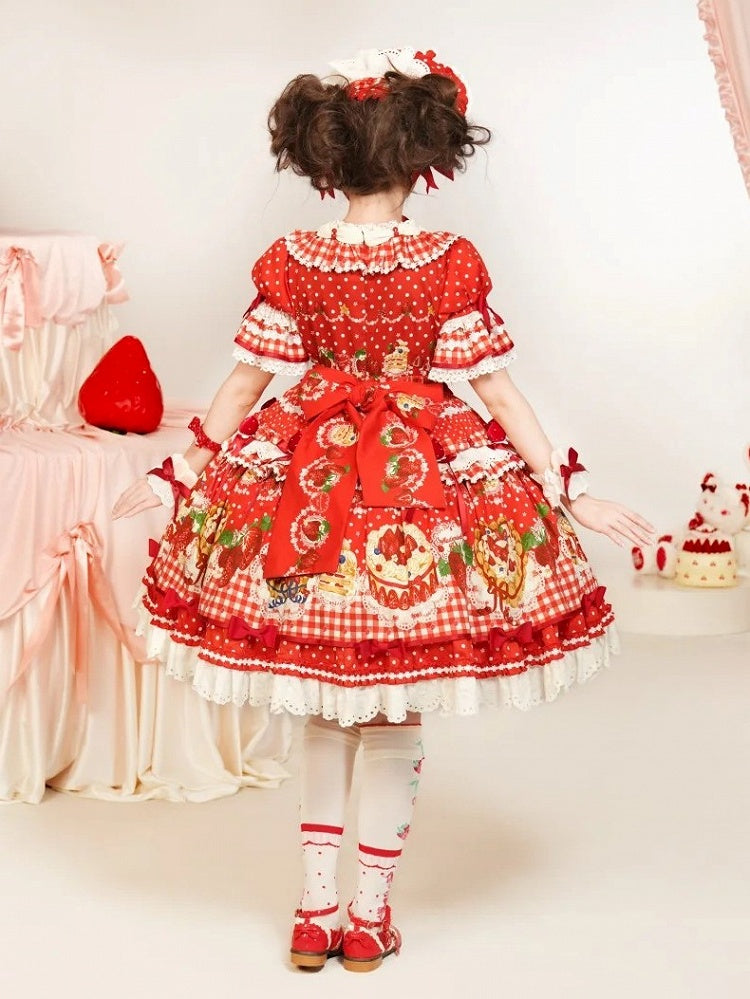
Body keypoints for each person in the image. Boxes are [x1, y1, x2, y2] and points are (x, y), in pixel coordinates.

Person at [112, 46, 655, 974]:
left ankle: (313, 913)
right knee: (392, 709)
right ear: (420, 155)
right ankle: (368, 917)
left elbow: (244, 385)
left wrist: (182, 472)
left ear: (327, 156)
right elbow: (496, 391)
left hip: (306, 482)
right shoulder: (446, 261)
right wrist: (569, 490)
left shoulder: (296, 259)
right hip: (417, 492)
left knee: (327, 706)